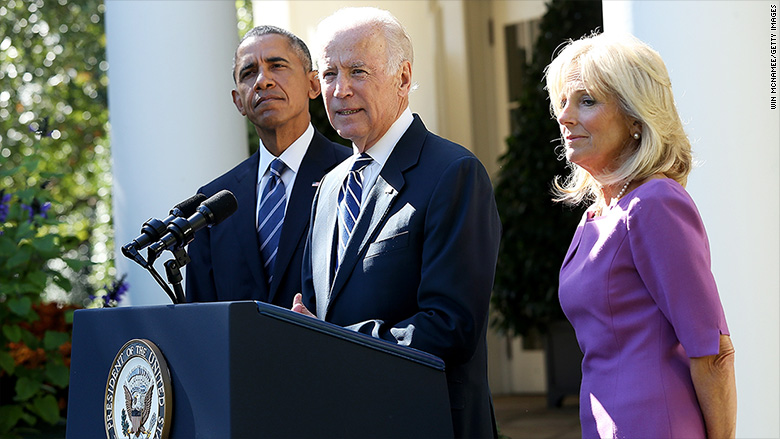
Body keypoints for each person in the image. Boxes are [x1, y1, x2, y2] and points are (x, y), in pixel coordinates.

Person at [290, 7, 501, 439]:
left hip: (425, 421)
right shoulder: (327, 187)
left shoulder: (453, 172)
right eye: (329, 74)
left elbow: (450, 325)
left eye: (358, 71)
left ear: (403, 78)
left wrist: (333, 343)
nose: (340, 89)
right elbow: (316, 312)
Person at [546, 32, 736, 438]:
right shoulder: (596, 216)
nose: (564, 116)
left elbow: (713, 352)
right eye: (563, 102)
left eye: (587, 100)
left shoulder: (655, 204)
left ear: (636, 118)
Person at [186, 26, 350, 307]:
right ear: (239, 101)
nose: (263, 81)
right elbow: (200, 317)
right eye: (249, 73)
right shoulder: (213, 203)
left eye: (277, 66)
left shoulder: (354, 174)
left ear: (313, 85)